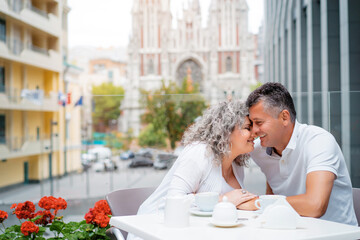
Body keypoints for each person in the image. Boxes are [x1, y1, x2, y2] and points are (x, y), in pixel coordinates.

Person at [244, 82, 357, 225]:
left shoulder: (319, 141)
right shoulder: (259, 150)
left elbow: (315, 206)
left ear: (284, 117)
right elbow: (273, 186)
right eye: (251, 124)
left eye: (258, 122)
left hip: (337, 234)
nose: (253, 131)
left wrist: (257, 203)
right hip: (291, 231)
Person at [136, 100, 257, 216]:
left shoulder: (236, 163)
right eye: (247, 128)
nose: (254, 133)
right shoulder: (200, 152)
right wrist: (224, 200)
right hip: (153, 226)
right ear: (226, 131)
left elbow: (236, 202)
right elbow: (173, 201)